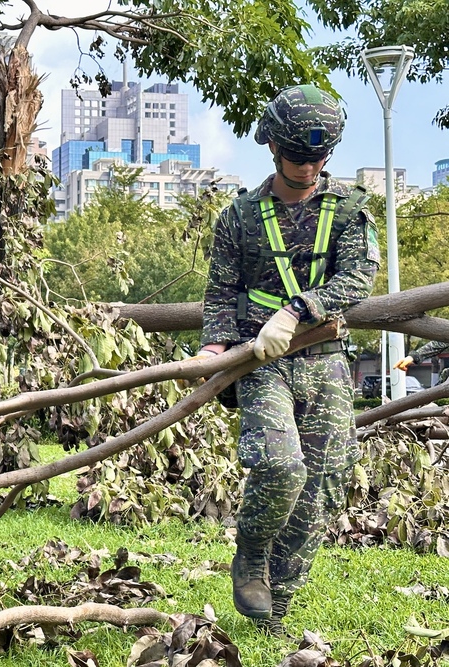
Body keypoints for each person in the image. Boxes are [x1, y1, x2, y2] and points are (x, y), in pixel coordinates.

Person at [198, 85, 379, 635]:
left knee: (322, 485)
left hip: (325, 360)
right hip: (262, 362)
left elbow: (359, 276)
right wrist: (214, 346)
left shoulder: (348, 209)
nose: (308, 167)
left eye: (319, 157)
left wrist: (299, 309)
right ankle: (251, 556)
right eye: (298, 156)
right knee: (281, 465)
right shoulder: (240, 217)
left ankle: (275, 610)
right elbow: (221, 292)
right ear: (273, 147)